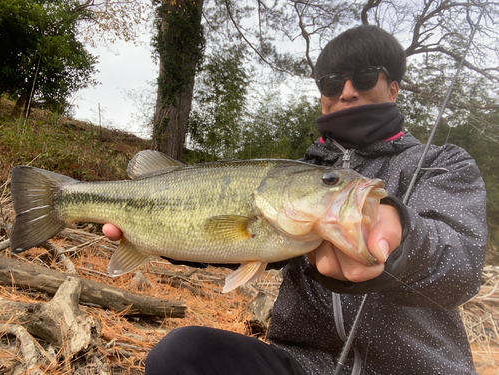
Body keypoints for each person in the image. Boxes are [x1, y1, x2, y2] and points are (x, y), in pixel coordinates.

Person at [103, 25, 487, 374]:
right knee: (182, 354)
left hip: (419, 369)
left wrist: (404, 242)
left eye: (365, 77)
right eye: (333, 82)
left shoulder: (442, 163)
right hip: (304, 365)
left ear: (394, 88)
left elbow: (462, 262)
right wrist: (152, 233)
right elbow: (226, 238)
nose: (347, 91)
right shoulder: (295, 174)